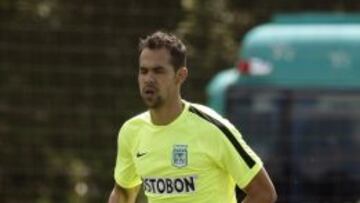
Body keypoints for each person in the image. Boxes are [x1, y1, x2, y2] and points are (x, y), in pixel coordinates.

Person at [108, 31, 277, 203]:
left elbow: (263, 192)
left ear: (180, 76)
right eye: (143, 71)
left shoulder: (212, 128)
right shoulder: (131, 131)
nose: (148, 79)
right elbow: (123, 193)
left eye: (158, 71)